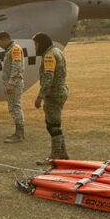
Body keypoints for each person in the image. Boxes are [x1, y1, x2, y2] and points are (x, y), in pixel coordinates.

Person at [32, 32, 70, 163]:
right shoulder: (56, 51)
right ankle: (62, 153)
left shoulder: (49, 55)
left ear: (41, 43)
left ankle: (55, 156)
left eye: (36, 44)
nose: (35, 47)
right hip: (60, 91)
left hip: (54, 94)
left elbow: (48, 77)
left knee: (53, 126)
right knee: (53, 125)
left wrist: (40, 96)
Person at [0, 31, 25, 143]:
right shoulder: (10, 50)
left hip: (14, 84)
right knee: (13, 108)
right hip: (12, 84)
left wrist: (11, 83)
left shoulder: (15, 49)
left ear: (5, 39)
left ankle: (19, 134)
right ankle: (18, 133)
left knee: (15, 108)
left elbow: (17, 67)